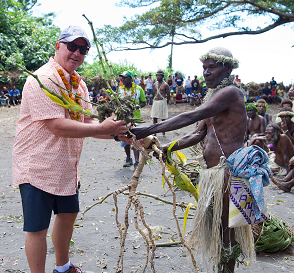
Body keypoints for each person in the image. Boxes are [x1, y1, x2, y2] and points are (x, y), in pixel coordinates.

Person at [12, 25, 130, 273]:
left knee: (67, 216)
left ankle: (63, 267)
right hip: (37, 166)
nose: (77, 53)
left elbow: (87, 121)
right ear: (58, 46)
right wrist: (102, 129)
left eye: (83, 49)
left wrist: (118, 134)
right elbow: (57, 126)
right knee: (37, 228)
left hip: (65, 166)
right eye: (72, 46)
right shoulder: (43, 79)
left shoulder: (78, 85)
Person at [132, 47, 259, 272]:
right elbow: (197, 134)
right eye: (204, 68)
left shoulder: (231, 92)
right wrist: (165, 148)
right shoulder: (213, 96)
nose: (206, 73)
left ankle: (226, 270)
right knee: (218, 229)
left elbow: (191, 115)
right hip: (212, 174)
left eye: (212, 67)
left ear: (227, 68)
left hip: (228, 172)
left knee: (227, 230)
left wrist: (149, 128)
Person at [118, 70, 146, 170]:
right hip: (124, 118)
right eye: (122, 77)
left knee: (135, 139)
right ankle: (128, 159)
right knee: (125, 138)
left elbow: (144, 102)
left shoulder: (138, 89)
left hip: (135, 118)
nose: (123, 79)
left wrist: (137, 106)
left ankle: (137, 161)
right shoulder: (120, 89)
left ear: (131, 78)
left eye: (125, 77)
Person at [151, 70, 170, 136]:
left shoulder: (166, 85)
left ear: (162, 76)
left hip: (162, 102)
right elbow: (154, 93)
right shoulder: (154, 85)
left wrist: (166, 102)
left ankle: (163, 131)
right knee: (154, 117)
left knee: (163, 117)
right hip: (156, 101)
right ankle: (154, 132)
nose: (158, 77)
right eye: (157, 75)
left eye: (159, 75)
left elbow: (168, 94)